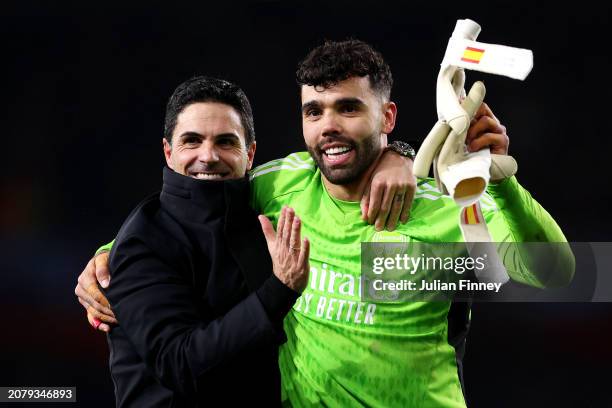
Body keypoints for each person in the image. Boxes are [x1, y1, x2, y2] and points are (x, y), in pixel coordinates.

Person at [78, 40, 574, 407]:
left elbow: (557, 274)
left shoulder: (449, 204)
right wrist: (109, 254)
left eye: (349, 108)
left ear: (388, 117)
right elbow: (191, 209)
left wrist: (499, 183)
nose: (328, 125)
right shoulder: (282, 185)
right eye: (313, 111)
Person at [102, 76, 310, 407]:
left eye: (226, 142)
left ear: (251, 153)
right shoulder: (142, 243)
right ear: (168, 152)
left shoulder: (264, 218)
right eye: (192, 141)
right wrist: (278, 291)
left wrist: (397, 155)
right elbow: (178, 361)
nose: (209, 156)